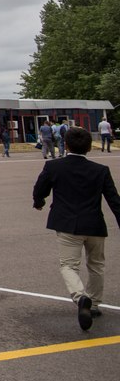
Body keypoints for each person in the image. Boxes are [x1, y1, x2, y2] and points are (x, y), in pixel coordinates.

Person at [33, 126, 120, 331]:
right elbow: (114, 201)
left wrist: (39, 202)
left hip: (67, 225)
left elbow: (40, 189)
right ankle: (94, 304)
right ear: (89, 147)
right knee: (96, 265)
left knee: (68, 266)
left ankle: (81, 297)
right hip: (94, 224)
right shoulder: (101, 170)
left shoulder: (54, 167)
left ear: (66, 144)